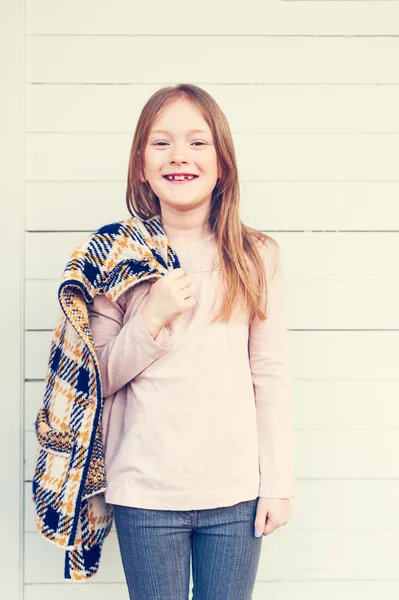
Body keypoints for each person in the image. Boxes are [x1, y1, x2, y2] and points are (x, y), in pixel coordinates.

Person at [87, 83, 295, 600]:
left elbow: (269, 376)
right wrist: (149, 319)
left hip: (235, 495)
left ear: (222, 163)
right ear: (140, 164)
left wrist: (278, 484)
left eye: (198, 143)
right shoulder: (115, 255)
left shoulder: (255, 256)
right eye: (162, 143)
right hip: (145, 493)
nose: (179, 156)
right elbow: (98, 377)